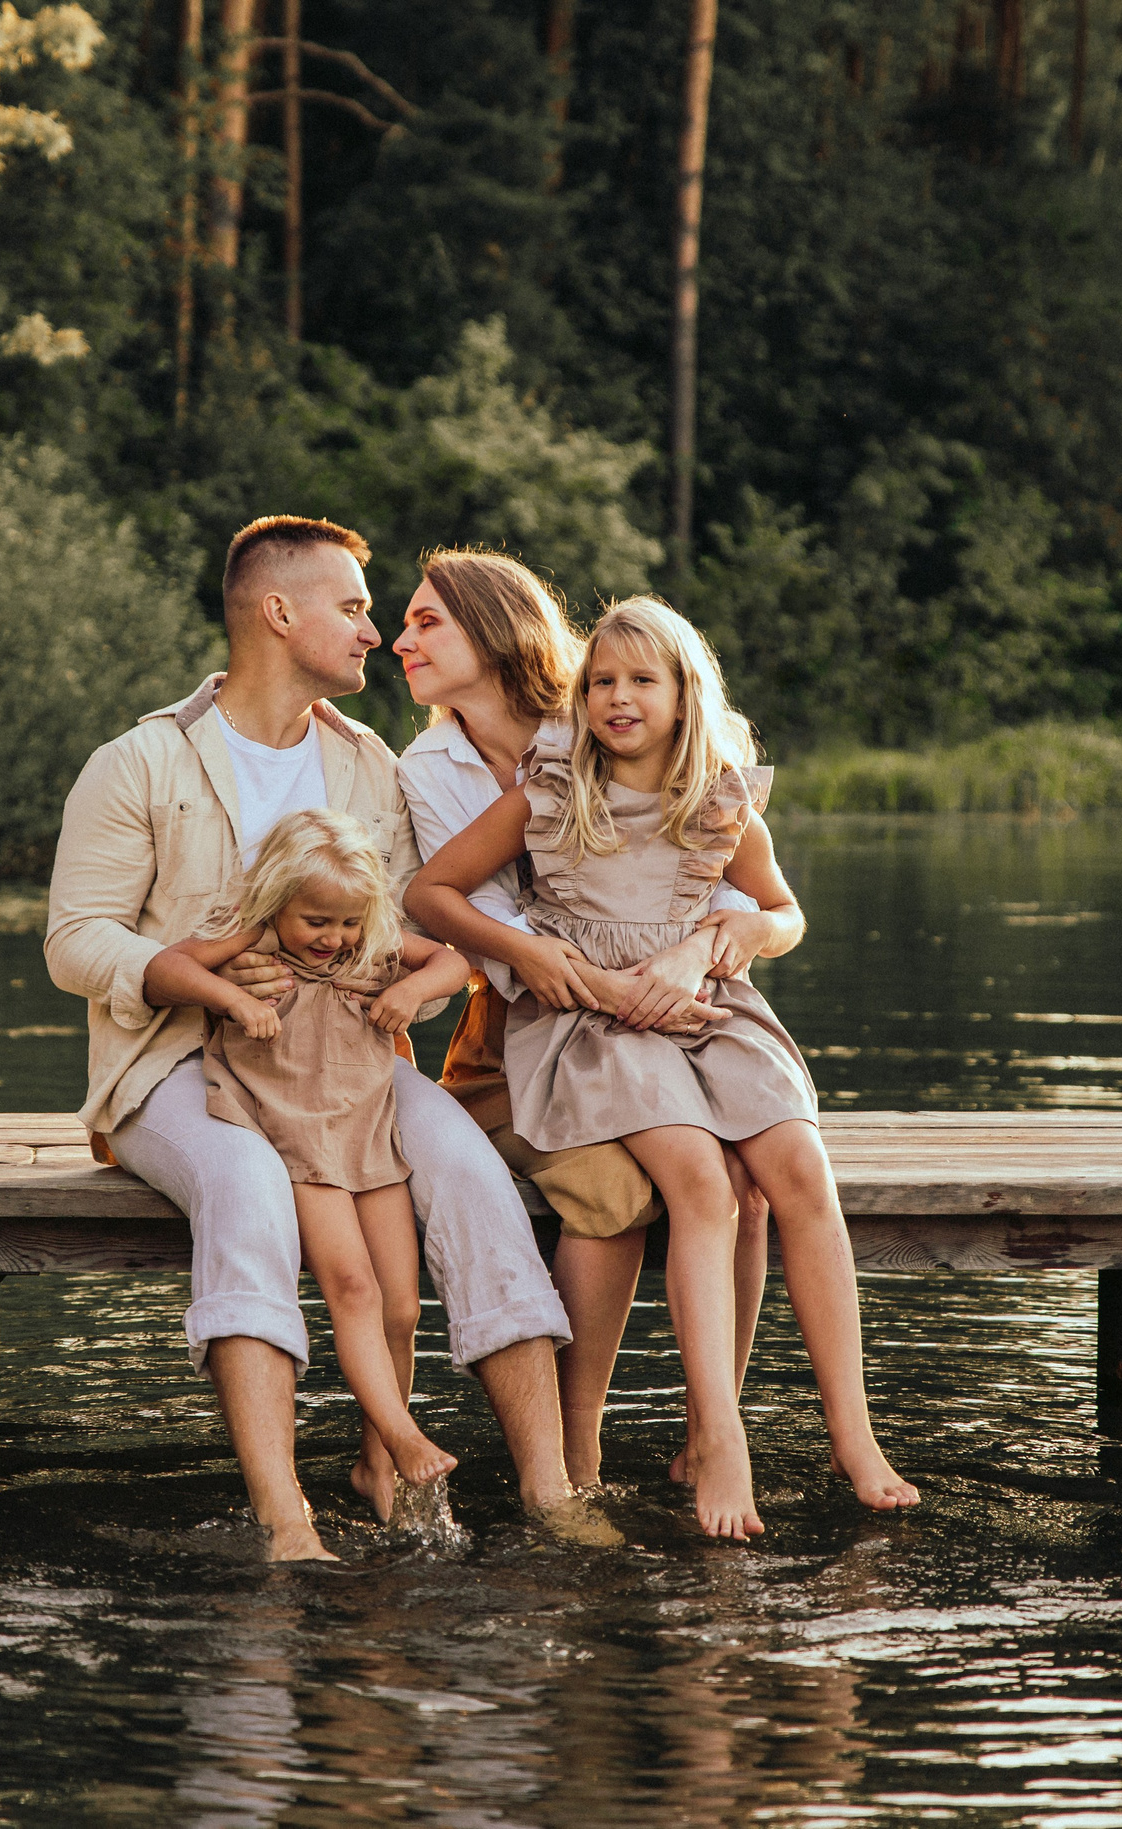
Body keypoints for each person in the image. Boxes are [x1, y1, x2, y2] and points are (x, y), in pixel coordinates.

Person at [45, 513, 597, 1562]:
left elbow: (406, 936)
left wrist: (407, 983)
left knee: (473, 1176)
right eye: (350, 607)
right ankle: (286, 1519)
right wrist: (193, 968)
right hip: (174, 1062)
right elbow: (75, 940)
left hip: (347, 1063)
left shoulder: (366, 766)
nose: (371, 632)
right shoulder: (139, 761)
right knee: (246, 1186)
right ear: (278, 611)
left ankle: (549, 1490)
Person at [409, 595, 920, 1540]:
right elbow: (430, 891)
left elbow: (786, 916)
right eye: (600, 680)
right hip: (589, 1026)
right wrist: (540, 960)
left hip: (708, 1008)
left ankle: (853, 1429)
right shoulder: (550, 789)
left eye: (642, 679)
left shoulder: (721, 799)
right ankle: (720, 1434)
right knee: (700, 1178)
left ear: (687, 695)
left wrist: (738, 930)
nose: (616, 696)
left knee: (797, 1168)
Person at [392, 549, 773, 1494]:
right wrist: (618, 984)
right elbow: (501, 932)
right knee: (610, 1190)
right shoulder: (429, 766)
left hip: (657, 1019)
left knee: (744, 1176)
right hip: (521, 1044)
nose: (402, 640)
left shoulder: (603, 720)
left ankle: (711, 1428)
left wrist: (705, 949)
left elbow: (720, 881)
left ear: (492, 627)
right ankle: (575, 1450)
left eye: (426, 619)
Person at [144, 807, 475, 1497]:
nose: (333, 938)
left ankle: (375, 1464)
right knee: (352, 1287)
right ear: (279, 901)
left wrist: (411, 989)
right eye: (316, 921)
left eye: (347, 921)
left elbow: (454, 962)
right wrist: (231, 997)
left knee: (403, 1307)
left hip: (367, 1127)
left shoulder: (372, 944)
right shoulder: (255, 937)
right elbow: (169, 965)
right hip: (292, 1130)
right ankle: (405, 1435)